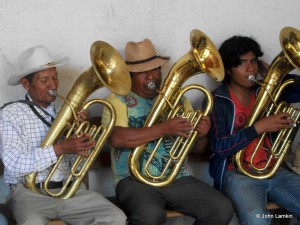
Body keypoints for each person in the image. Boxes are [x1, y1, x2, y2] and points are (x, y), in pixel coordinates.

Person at [101, 38, 234, 225]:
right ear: (130, 75)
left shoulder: (178, 99)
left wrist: (202, 134)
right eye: (142, 72)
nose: (150, 76)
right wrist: (164, 128)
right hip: (133, 181)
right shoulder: (117, 100)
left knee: (221, 208)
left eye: (155, 69)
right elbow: (116, 138)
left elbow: (196, 149)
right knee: (150, 215)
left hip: (177, 179)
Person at [0, 45, 127, 225]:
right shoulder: (11, 114)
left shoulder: (65, 109)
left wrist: (83, 141)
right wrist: (60, 148)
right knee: (33, 223)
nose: (53, 85)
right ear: (26, 84)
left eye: (55, 77)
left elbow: (79, 165)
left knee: (116, 218)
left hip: (71, 190)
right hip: (29, 193)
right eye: (44, 80)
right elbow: (13, 162)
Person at [207, 35, 300, 225]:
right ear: (228, 69)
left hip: (274, 170)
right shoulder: (217, 100)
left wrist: (276, 76)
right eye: (242, 63)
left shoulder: (267, 91)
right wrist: (259, 127)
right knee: (258, 220)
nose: (250, 68)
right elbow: (220, 147)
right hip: (237, 175)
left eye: (253, 62)